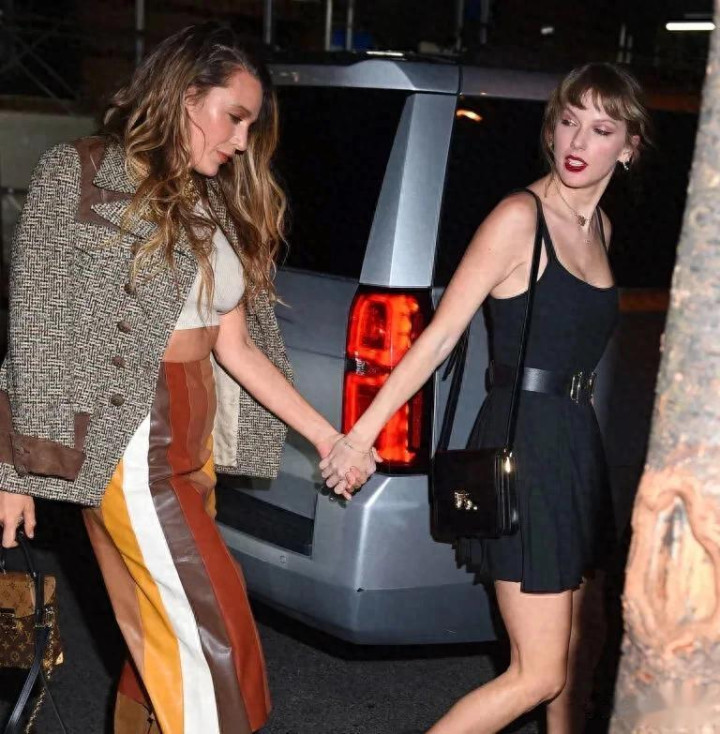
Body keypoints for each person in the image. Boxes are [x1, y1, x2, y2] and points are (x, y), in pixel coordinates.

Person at [0, 22, 373, 734]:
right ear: (185, 96)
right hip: (128, 437)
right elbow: (36, 329)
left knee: (160, 629)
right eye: (234, 117)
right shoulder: (80, 173)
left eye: (250, 126)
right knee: (214, 637)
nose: (242, 141)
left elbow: (238, 348)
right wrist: (10, 470)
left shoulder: (212, 201)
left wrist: (329, 438)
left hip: (192, 443)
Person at [321, 62, 650, 732]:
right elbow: (439, 337)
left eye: (600, 129)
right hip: (525, 443)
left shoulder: (601, 229)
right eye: (568, 121)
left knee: (581, 649)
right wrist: (359, 437)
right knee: (541, 672)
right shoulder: (518, 218)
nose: (577, 140)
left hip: (573, 446)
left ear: (628, 147)